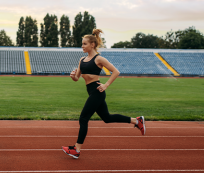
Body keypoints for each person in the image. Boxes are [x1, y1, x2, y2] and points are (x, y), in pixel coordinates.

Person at [62, 29, 146, 159]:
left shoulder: (98, 59)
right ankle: (136, 121)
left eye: (84, 44)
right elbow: (77, 78)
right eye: (82, 44)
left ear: (92, 45)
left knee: (83, 118)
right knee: (107, 118)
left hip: (97, 91)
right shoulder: (82, 60)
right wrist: (72, 76)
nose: (82, 46)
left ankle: (76, 149)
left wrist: (106, 85)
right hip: (91, 91)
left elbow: (116, 72)